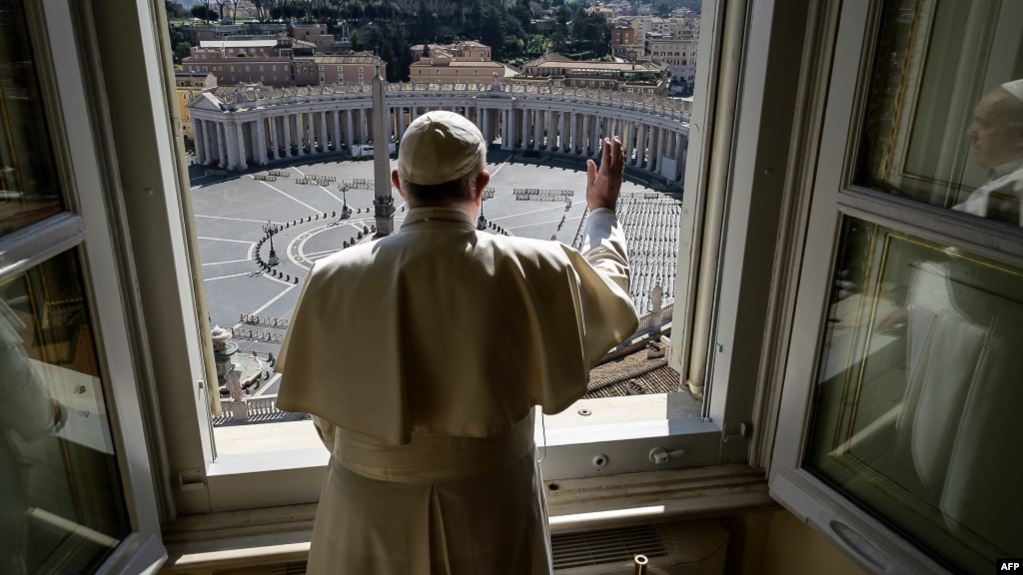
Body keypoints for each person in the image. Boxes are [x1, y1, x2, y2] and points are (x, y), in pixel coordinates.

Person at [275, 111, 638, 573]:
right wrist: (602, 209)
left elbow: (325, 417)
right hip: (490, 505)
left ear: (398, 183)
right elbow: (611, 289)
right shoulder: (538, 265)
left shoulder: (329, 277)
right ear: (482, 183)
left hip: (365, 510)